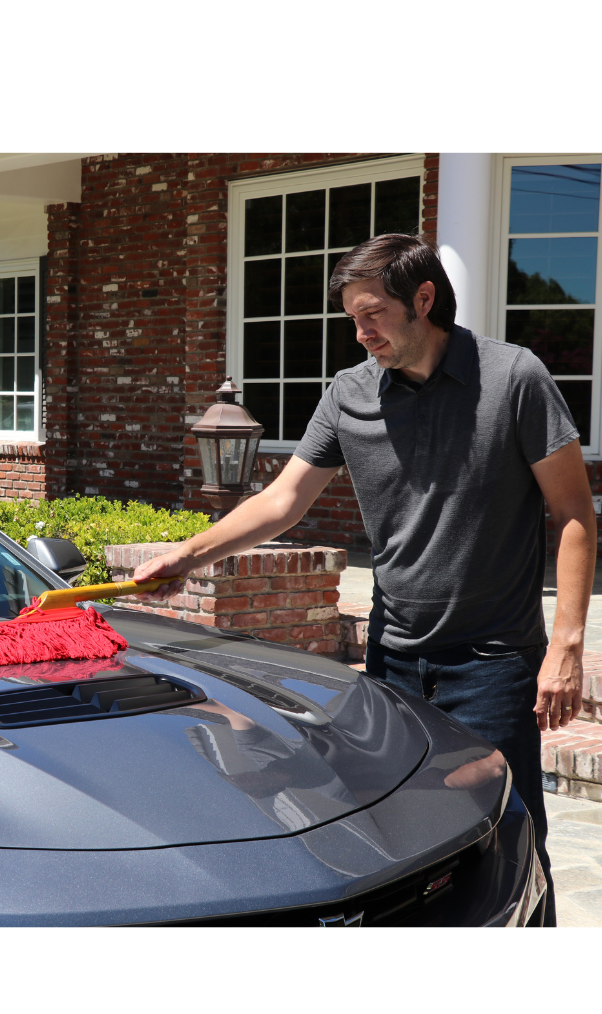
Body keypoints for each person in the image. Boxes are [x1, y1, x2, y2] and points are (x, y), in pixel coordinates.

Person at [134, 233, 596, 925]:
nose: (362, 332)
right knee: (404, 832)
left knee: (508, 831)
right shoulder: (349, 393)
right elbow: (283, 501)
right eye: (352, 318)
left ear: (425, 298)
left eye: (373, 313)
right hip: (394, 656)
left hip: (494, 658)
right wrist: (187, 554)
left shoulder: (513, 378)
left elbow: (573, 515)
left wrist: (565, 646)